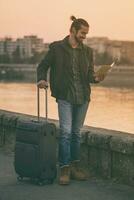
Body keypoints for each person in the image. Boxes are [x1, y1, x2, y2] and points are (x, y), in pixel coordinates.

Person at [37, 15, 104, 185]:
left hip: (83, 98)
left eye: (86, 34)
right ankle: (64, 168)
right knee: (66, 133)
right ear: (73, 30)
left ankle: (74, 167)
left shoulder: (87, 51)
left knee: (76, 133)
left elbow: (89, 75)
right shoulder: (57, 48)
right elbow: (43, 66)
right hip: (65, 96)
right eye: (82, 33)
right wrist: (41, 79)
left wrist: (96, 78)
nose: (84, 37)